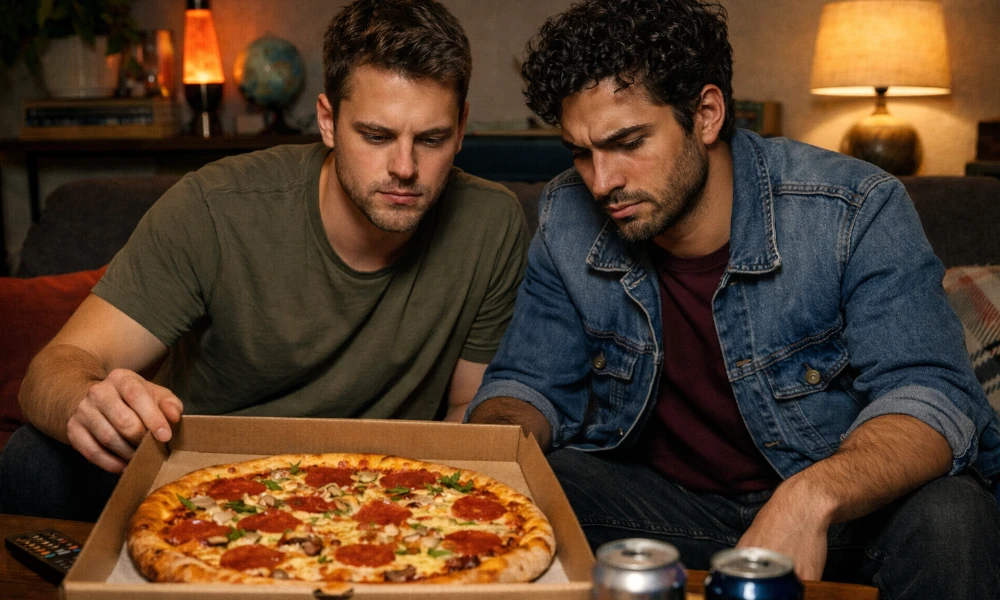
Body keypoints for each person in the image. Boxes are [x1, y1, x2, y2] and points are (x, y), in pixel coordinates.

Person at [466, 1, 1000, 597]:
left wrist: (811, 497)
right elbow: (528, 385)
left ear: (707, 113)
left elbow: (932, 393)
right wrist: (497, 442)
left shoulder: (853, 208)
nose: (601, 181)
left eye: (628, 143)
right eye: (581, 151)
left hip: (837, 510)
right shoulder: (566, 215)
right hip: (664, 514)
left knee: (953, 514)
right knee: (534, 489)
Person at [1, 0, 527, 521]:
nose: (405, 168)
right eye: (376, 136)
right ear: (327, 121)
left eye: (431, 139)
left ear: (460, 129)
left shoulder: (491, 222)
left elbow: (470, 410)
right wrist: (89, 403)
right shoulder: (212, 207)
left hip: (385, 490)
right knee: (32, 460)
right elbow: (52, 370)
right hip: (201, 483)